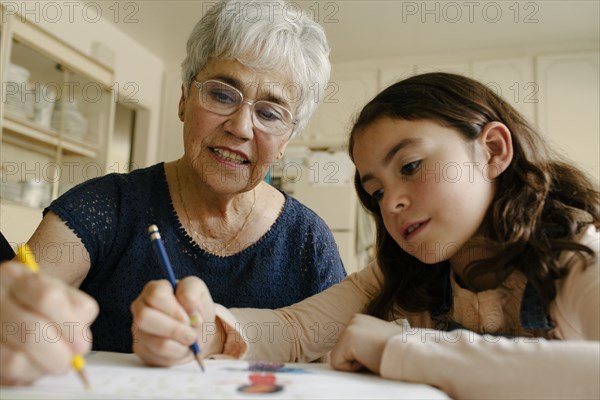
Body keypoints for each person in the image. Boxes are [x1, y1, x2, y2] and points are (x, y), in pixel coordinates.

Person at [132, 72, 599, 399]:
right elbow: (295, 332)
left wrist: (403, 349)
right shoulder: (401, 273)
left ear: (493, 150)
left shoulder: (576, 255)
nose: (391, 202)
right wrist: (202, 328)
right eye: (375, 190)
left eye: (411, 166)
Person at [0, 0, 346, 382]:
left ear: (286, 140)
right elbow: (18, 300)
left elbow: (339, 369)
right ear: (184, 99)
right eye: (222, 94)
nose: (241, 127)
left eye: (269, 113)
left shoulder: (309, 242)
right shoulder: (104, 206)